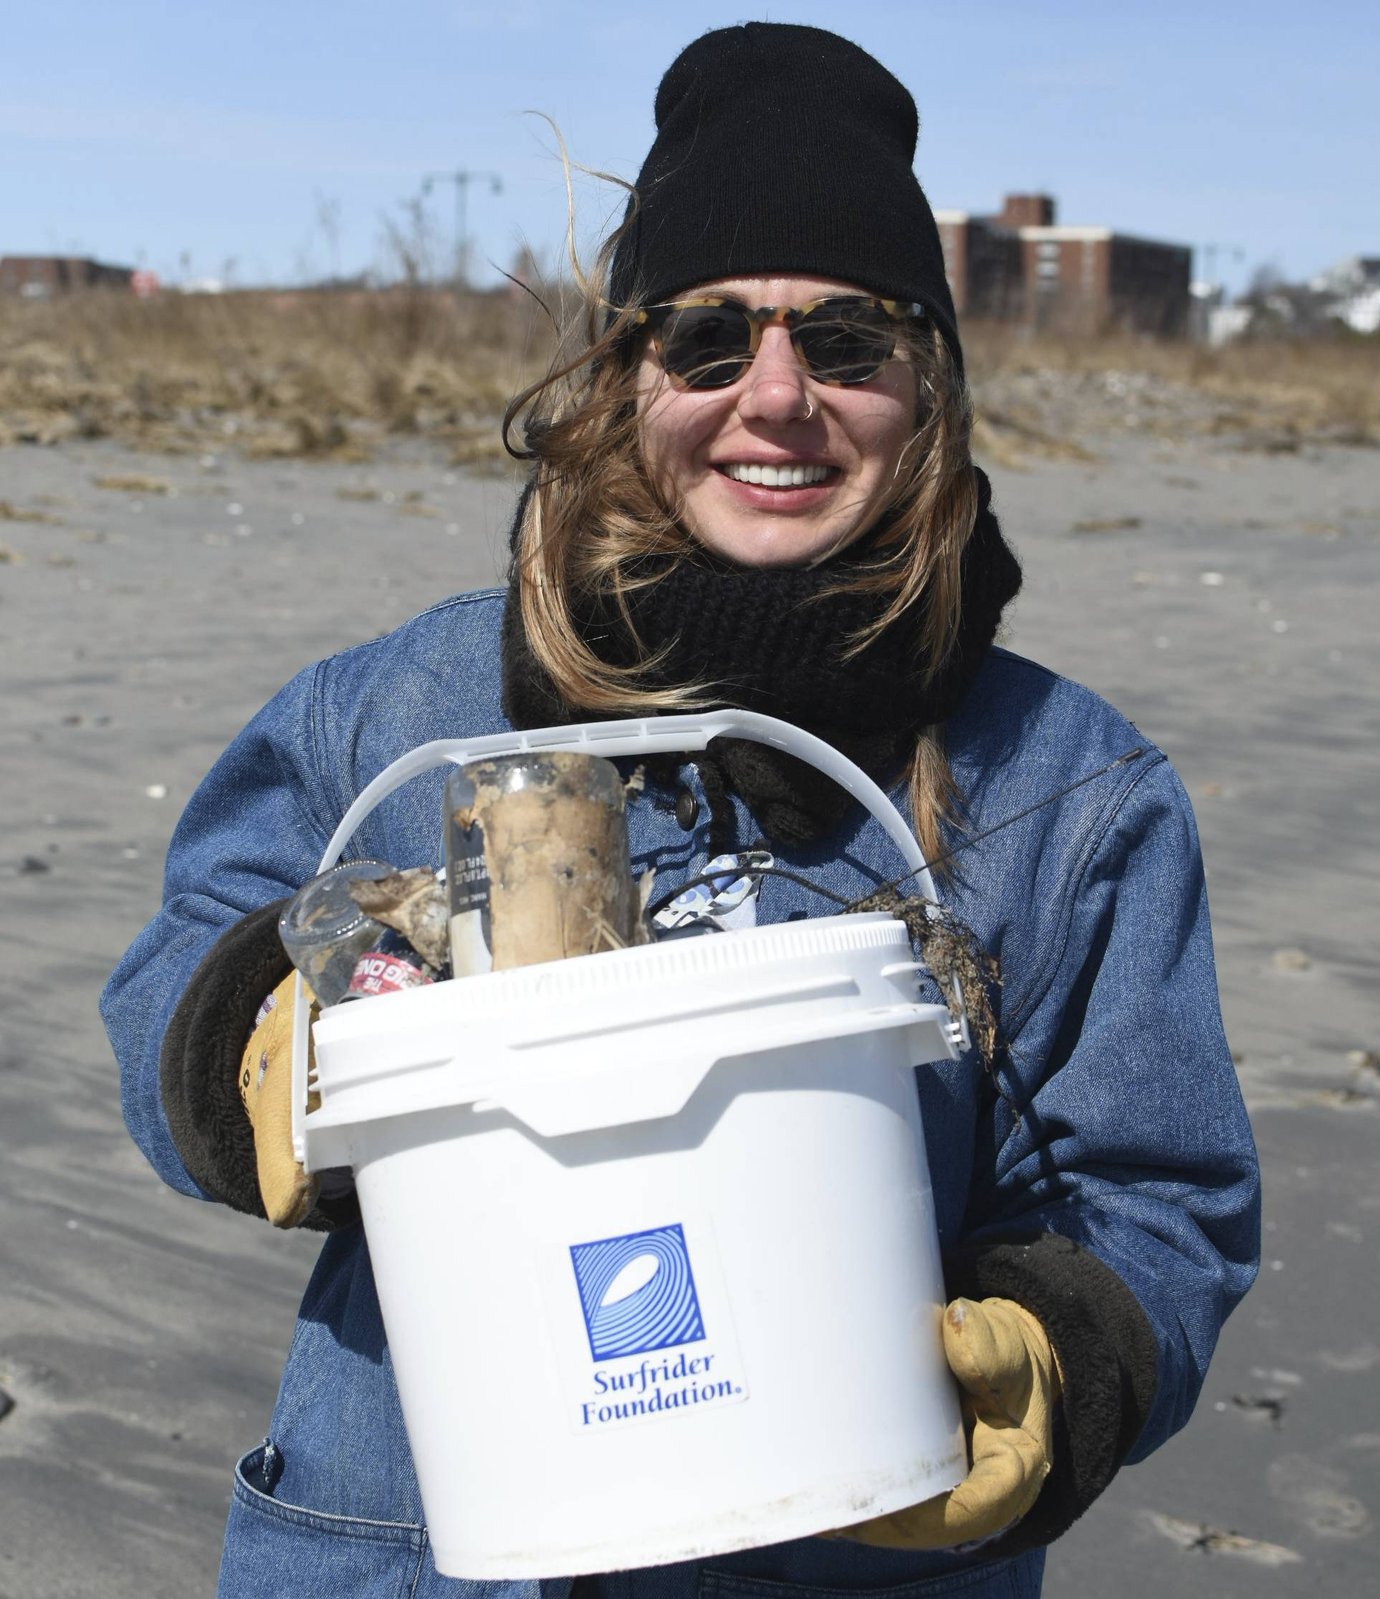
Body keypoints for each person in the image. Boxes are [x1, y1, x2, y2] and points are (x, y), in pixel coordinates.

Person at [101, 22, 1259, 1599]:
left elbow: (1155, 1201)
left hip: (846, 1537)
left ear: (928, 380)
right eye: (708, 342)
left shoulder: (1068, 787)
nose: (773, 399)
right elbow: (169, 981)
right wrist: (261, 1041)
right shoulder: (398, 714)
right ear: (624, 377)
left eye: (844, 341)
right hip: (408, 1545)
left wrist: (1047, 1370)